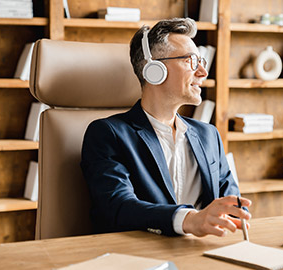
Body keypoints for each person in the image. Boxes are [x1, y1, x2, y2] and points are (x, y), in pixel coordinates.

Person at [81, 17, 251, 237]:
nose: (202, 72)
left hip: (204, 253)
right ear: (154, 69)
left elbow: (233, 205)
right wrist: (190, 220)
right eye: (191, 61)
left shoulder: (208, 134)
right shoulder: (108, 134)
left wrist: (237, 214)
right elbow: (118, 206)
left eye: (202, 61)